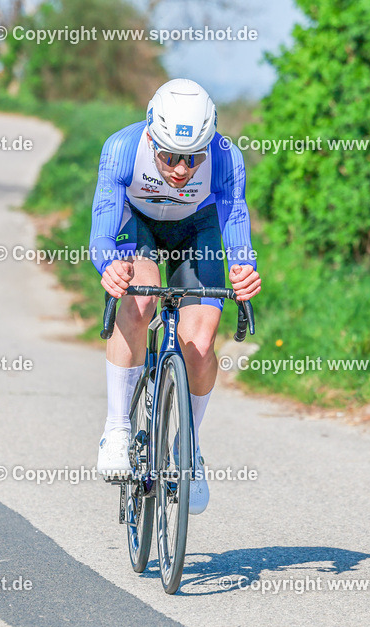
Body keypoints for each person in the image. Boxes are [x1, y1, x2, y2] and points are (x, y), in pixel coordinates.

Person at [90, 78, 261, 514]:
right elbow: (101, 236)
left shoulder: (224, 159)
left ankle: (190, 446)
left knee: (200, 343)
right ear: (150, 135)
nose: (181, 170)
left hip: (196, 230)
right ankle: (117, 428)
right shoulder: (123, 149)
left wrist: (244, 270)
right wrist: (109, 266)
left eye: (192, 158)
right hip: (139, 227)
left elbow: (235, 222)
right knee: (140, 299)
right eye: (168, 157)